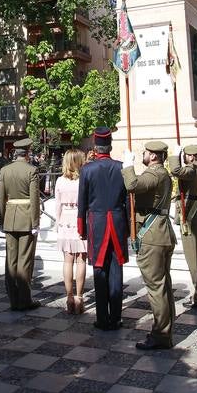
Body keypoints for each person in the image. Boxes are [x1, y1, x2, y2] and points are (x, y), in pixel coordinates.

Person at [122, 141, 176, 350]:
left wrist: (128, 166)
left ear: (153, 156)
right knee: (163, 285)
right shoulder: (161, 173)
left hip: (153, 236)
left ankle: (161, 334)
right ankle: (165, 329)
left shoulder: (154, 173)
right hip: (160, 233)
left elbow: (133, 185)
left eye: (144, 152)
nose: (141, 154)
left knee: (156, 287)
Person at [77, 127, 129, 331]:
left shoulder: (87, 170)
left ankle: (102, 317)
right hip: (117, 222)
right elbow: (127, 201)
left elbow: (82, 202)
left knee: (100, 271)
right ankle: (116, 317)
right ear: (110, 145)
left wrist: (81, 227)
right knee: (116, 270)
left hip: (97, 224)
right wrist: (128, 227)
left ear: (95, 146)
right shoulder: (121, 168)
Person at [0, 138, 41, 311]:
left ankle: (13, 299)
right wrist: (36, 222)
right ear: (28, 152)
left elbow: (1, 197)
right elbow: (34, 199)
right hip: (26, 218)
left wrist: (1, 219)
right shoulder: (32, 170)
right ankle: (24, 300)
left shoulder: (4, 170)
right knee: (24, 260)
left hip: (9, 217)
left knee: (11, 260)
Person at [169, 143, 197, 310]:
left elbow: (176, 171)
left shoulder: (193, 169)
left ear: (192, 157)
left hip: (192, 218)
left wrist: (174, 155)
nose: (184, 158)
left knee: (194, 259)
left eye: (185, 155)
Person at [55, 147, 88, 314]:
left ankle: (69, 297)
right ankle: (79, 297)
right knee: (81, 260)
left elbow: (57, 205)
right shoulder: (83, 180)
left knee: (67, 260)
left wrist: (57, 223)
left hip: (65, 219)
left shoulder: (60, 181)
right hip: (80, 218)